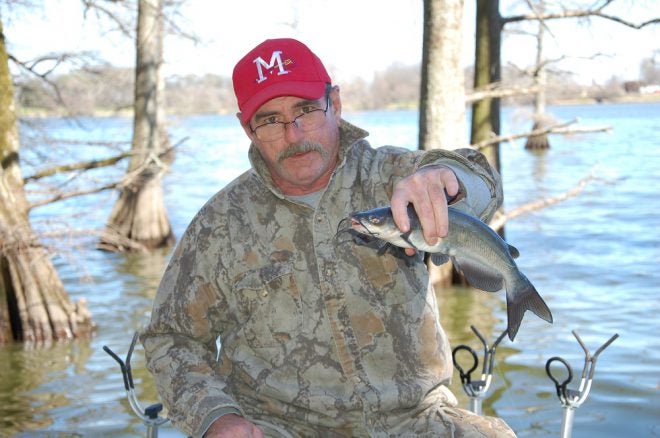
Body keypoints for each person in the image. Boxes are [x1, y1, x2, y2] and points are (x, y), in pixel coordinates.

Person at [141, 38, 515, 438]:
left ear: (334, 103)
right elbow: (171, 338)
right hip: (278, 427)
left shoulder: (391, 175)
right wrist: (216, 418)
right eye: (270, 120)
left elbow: (483, 179)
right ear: (246, 128)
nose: (294, 133)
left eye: (306, 109)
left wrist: (450, 181)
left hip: (416, 419)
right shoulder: (219, 223)